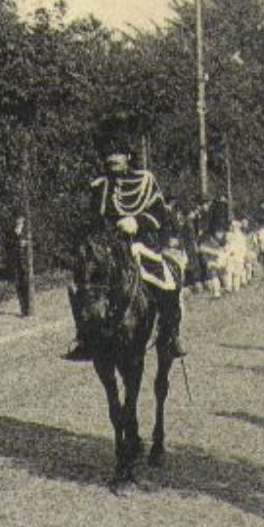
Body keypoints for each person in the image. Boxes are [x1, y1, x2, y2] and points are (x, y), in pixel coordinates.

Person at [65, 127, 185, 361]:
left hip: (141, 245)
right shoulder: (98, 185)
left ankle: (170, 335)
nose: (113, 159)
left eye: (118, 153)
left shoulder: (146, 180)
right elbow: (91, 219)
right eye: (108, 154)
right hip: (107, 249)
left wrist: (137, 221)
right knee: (81, 286)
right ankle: (85, 338)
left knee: (168, 283)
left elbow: (160, 215)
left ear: (128, 156)